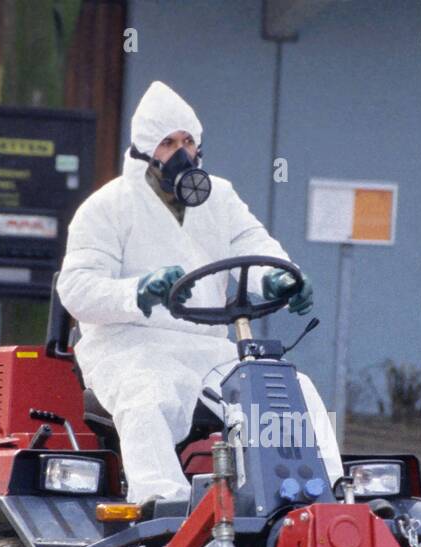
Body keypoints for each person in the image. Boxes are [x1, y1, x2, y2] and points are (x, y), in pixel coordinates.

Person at [56, 80, 343, 506]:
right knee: (147, 397)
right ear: (144, 151)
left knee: (288, 389)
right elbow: (75, 289)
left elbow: (256, 245)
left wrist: (283, 277)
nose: (183, 152)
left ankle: (323, 498)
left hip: (209, 350)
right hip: (129, 347)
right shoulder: (107, 207)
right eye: (169, 142)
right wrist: (137, 292)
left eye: (189, 140)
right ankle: (162, 507)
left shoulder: (220, 197)